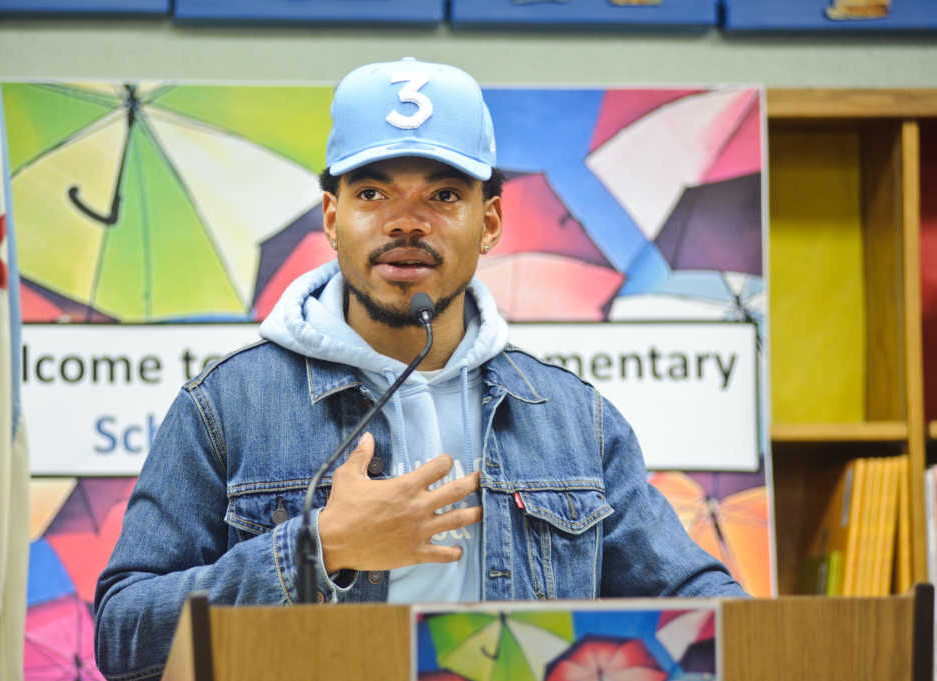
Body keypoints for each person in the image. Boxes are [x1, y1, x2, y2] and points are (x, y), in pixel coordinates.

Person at [94, 57, 747, 680]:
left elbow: (701, 606)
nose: (406, 222)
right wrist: (318, 548)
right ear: (332, 216)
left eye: (442, 194)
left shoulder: (576, 421)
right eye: (373, 192)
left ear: (489, 221)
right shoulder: (225, 408)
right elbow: (123, 636)